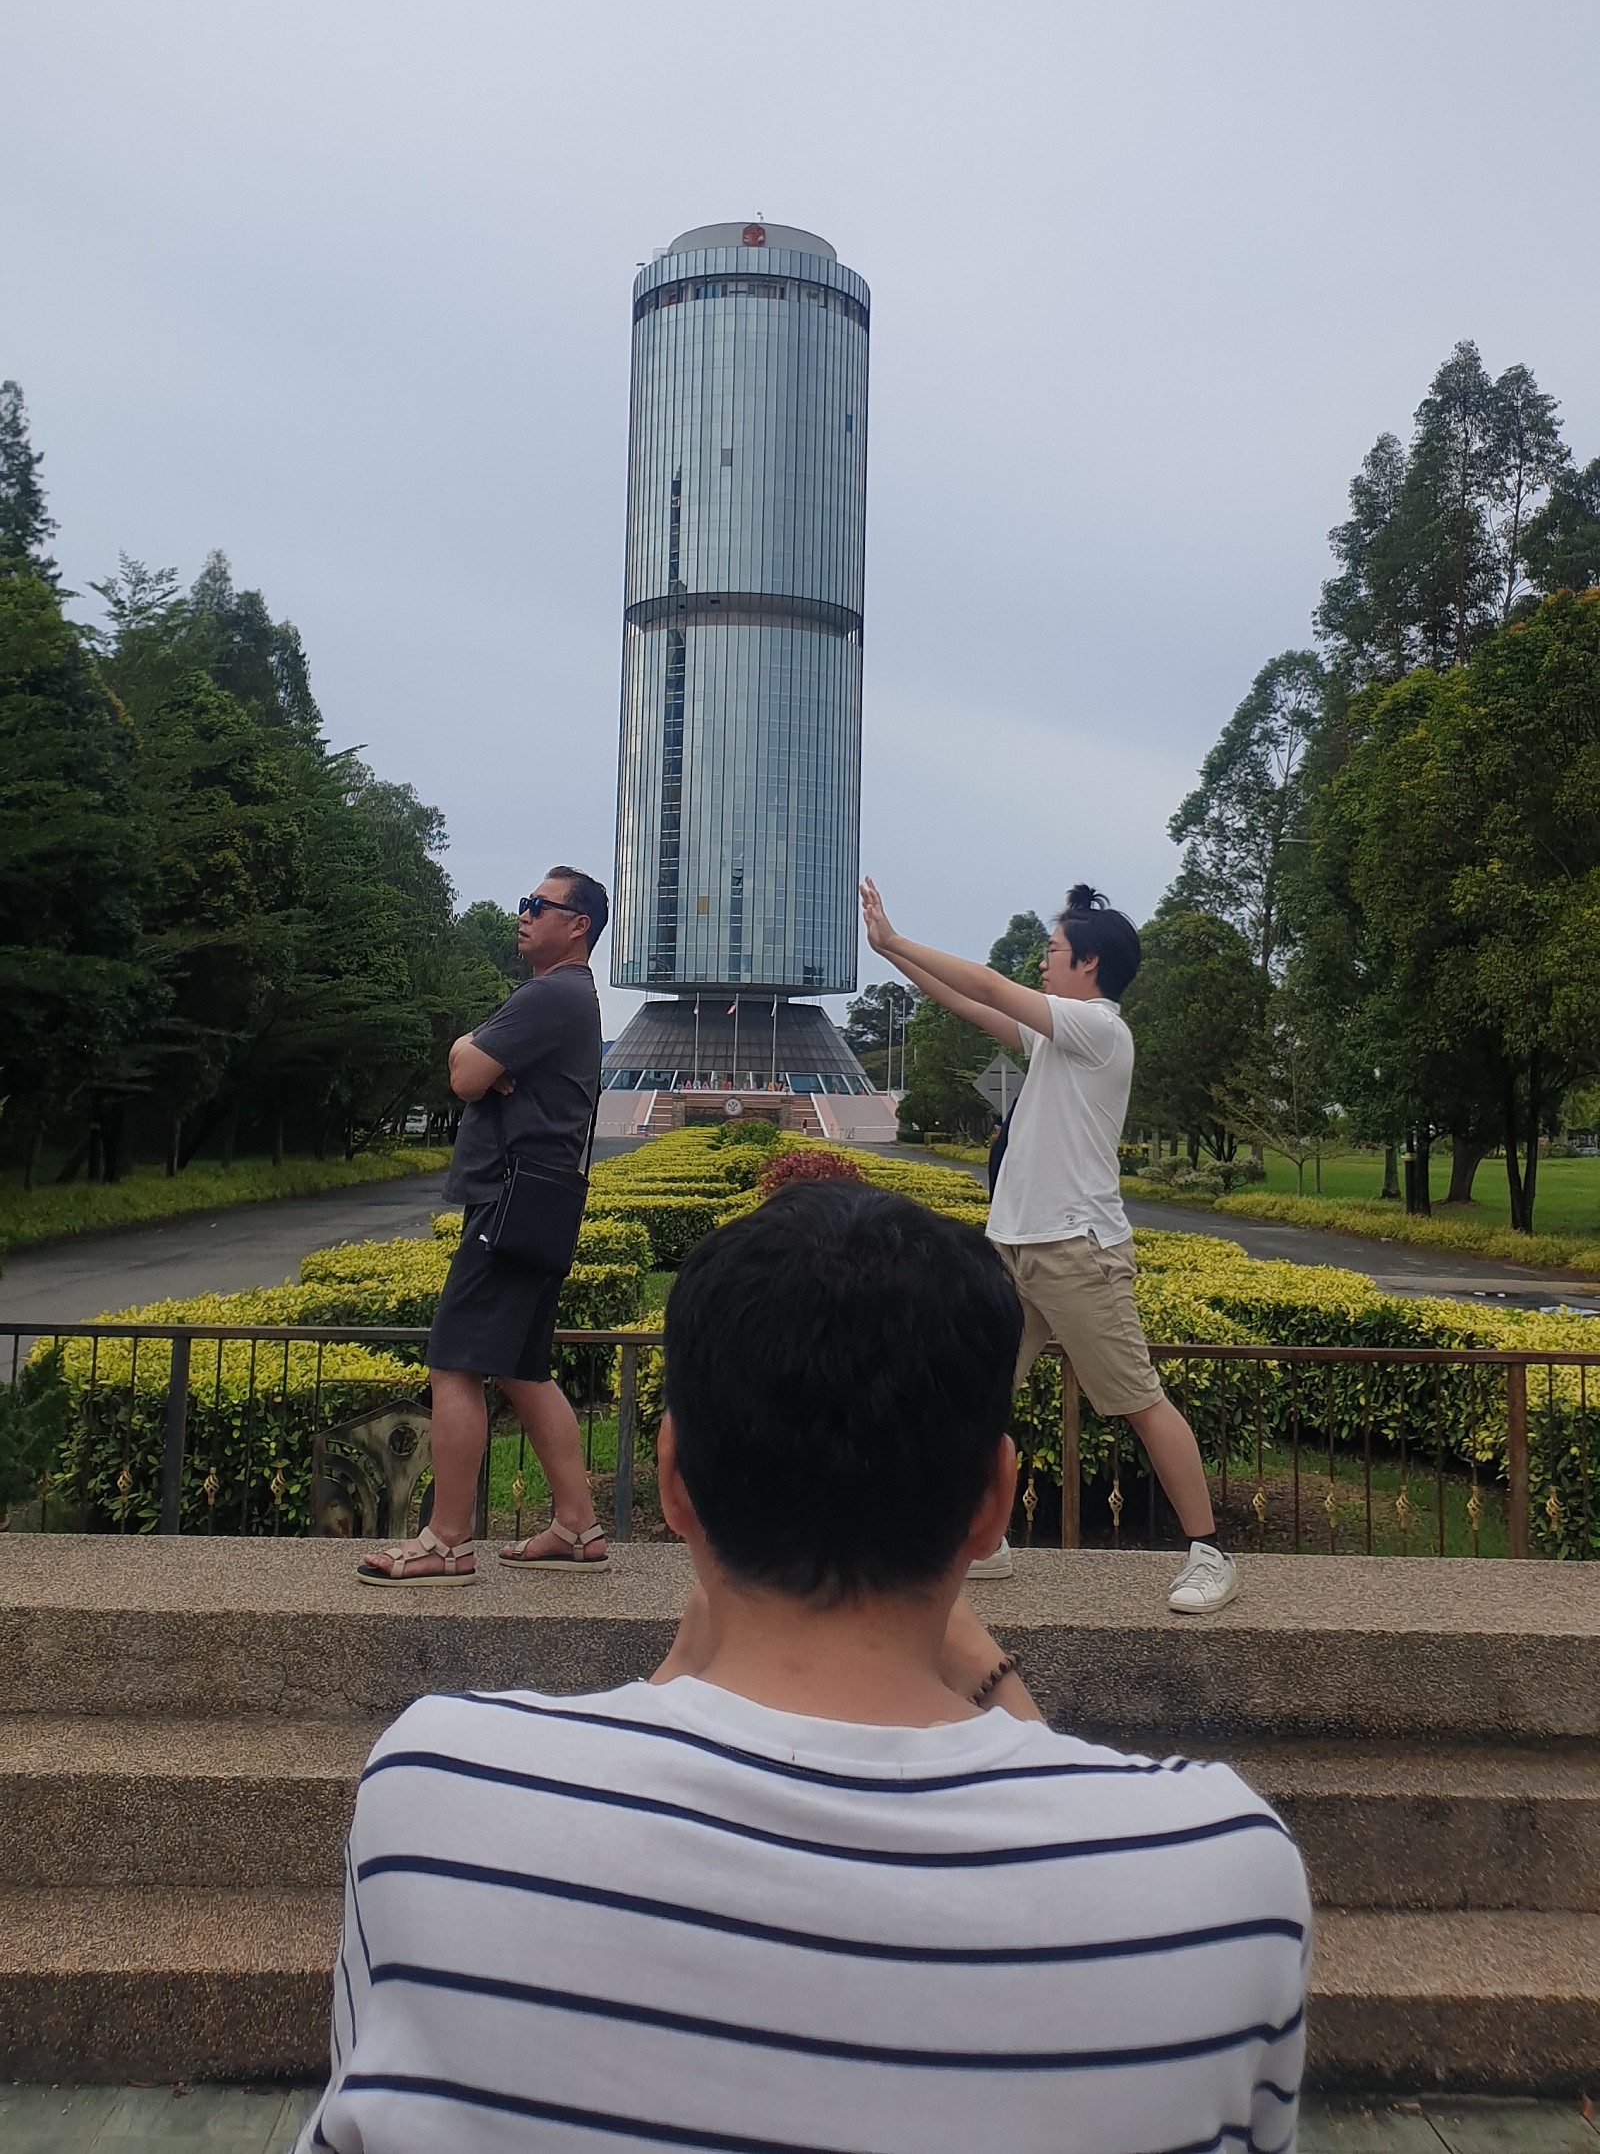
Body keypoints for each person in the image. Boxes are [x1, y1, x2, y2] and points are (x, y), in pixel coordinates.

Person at [303, 1182, 1307, 2154]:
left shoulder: (437, 1788)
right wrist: (991, 1676)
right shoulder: (1219, 1873)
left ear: (673, 1480)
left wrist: (671, 1677)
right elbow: (1063, 1849)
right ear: (993, 1500)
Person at [861, 875, 1239, 1614]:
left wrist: (901, 937)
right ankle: (985, 1542)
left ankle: (1211, 1553)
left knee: (1137, 1401)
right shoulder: (1055, 1035)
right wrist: (891, 955)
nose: (1044, 960)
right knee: (976, 1393)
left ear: (1089, 964)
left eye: (1055, 949)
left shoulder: (1099, 1029)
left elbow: (995, 987)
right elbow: (970, 1004)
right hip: (1014, 1249)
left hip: (1077, 1250)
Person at [357, 864, 608, 1584]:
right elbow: (470, 1061)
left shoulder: (550, 995)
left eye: (538, 905)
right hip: (544, 1201)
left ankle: (446, 1540)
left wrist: (479, 1055)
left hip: (506, 1201)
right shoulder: (569, 997)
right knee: (525, 1371)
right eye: (524, 904)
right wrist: (477, 1052)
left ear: (577, 924)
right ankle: (578, 1526)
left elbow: (464, 1075)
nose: (522, 914)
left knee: (454, 1366)